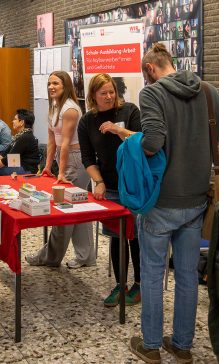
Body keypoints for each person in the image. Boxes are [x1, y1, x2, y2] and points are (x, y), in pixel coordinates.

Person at [128, 43, 219, 364]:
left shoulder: (152, 94)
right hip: (198, 199)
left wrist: (131, 142)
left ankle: (152, 345)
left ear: (149, 69)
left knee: (154, 273)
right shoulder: (209, 91)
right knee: (187, 276)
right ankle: (183, 345)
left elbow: (153, 141)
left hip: (161, 200)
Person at [77, 74, 142, 307]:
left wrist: (118, 130)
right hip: (110, 186)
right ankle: (121, 284)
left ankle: (140, 285)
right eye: (103, 93)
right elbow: (87, 157)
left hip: (134, 184)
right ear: (93, 96)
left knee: (135, 236)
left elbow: (144, 140)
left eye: (111, 91)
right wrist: (99, 182)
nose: (109, 96)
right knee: (117, 237)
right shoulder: (87, 121)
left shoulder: (130, 111)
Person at [27, 71, 96, 269]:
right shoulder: (54, 107)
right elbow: (52, 141)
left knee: (65, 209)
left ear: (65, 85)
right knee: (77, 208)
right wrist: (48, 166)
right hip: (63, 158)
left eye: (55, 83)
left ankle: (50, 256)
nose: (51, 87)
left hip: (75, 159)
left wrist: (61, 172)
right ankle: (86, 256)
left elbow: (65, 143)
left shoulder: (70, 109)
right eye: (49, 83)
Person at [0, 109, 40, 175]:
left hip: (27, 169)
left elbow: (10, 158)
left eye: (15, 119)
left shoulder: (25, 137)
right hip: (19, 166)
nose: (12, 121)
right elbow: (5, 153)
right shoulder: (20, 135)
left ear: (22, 122)